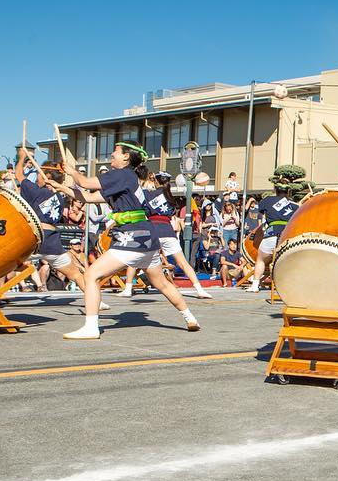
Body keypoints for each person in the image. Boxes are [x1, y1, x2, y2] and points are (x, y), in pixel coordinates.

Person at [52, 141, 200, 339]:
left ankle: (91, 327)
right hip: (148, 237)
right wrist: (61, 188)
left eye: (116, 151)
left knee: (91, 275)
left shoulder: (120, 174)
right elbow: (87, 197)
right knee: (162, 284)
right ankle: (190, 317)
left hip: (132, 236)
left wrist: (72, 171)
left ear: (126, 157)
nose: (112, 154)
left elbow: (86, 183)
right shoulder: (125, 179)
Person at [13, 149, 108, 306]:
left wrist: (22, 158)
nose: (37, 176)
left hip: (34, 239)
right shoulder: (58, 195)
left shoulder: (37, 192)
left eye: (39, 174)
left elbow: (19, 175)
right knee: (76, 275)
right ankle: (98, 302)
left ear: (47, 177)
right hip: (52, 241)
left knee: (2, 262)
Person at [120, 170, 212, 299]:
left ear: (155, 181)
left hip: (152, 230)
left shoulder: (148, 194)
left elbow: (137, 198)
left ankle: (128, 288)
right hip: (168, 231)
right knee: (183, 263)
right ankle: (199, 289)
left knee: (135, 261)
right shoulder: (170, 196)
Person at [247, 166, 310, 293]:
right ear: (288, 192)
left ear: (275, 189)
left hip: (271, 234)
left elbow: (261, 213)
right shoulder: (293, 205)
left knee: (261, 259)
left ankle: (255, 285)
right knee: (290, 261)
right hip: (287, 236)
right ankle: (291, 286)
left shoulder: (267, 200)